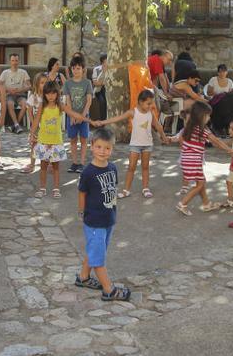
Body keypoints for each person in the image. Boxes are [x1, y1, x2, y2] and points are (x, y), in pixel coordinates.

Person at [74, 127, 131, 302]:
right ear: (92, 146)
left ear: (112, 149)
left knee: (96, 250)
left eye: (107, 148)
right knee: (98, 258)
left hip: (108, 219)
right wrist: (82, 212)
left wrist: (112, 213)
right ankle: (109, 289)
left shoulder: (112, 168)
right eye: (98, 147)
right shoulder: (88, 172)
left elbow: (112, 191)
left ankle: (83, 277)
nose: (102, 151)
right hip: (94, 221)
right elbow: (82, 193)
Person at [92, 89, 168, 199]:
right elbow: (117, 118)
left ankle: (145, 188)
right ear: (141, 102)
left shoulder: (151, 113)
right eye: (148, 103)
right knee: (131, 167)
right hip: (135, 145)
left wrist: (164, 138)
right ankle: (126, 190)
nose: (151, 106)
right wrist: (102, 122)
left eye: (151, 103)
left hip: (147, 145)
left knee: (145, 167)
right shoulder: (133, 112)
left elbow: (158, 126)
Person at [172, 101, 232, 215]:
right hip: (194, 161)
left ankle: (206, 204)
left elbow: (180, 141)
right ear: (202, 116)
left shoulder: (188, 127)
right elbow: (217, 141)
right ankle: (183, 203)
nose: (209, 117)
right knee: (200, 184)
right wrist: (229, 149)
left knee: (201, 182)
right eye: (208, 115)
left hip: (186, 159)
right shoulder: (203, 130)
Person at [29, 81, 85, 198]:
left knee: (55, 167)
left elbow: (73, 113)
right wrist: (32, 134)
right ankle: (42, 188)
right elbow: (36, 121)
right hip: (43, 141)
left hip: (56, 142)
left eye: (53, 93)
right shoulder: (42, 107)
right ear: (44, 94)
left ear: (57, 94)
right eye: (48, 93)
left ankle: (56, 188)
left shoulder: (60, 106)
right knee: (43, 166)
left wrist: (88, 120)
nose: (51, 96)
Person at [64, 56, 93, 174]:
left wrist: (82, 116)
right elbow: (68, 100)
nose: (76, 71)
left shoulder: (87, 83)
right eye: (74, 68)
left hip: (84, 116)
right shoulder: (67, 83)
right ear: (71, 69)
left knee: (84, 139)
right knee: (73, 139)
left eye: (78, 68)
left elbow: (89, 101)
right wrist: (72, 116)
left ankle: (82, 163)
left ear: (83, 69)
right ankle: (74, 162)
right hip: (72, 115)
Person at [21, 72, 48, 174]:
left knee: (46, 145)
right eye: (42, 83)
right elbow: (29, 110)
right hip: (37, 126)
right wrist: (33, 123)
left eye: (46, 83)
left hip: (46, 126)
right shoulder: (34, 97)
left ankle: (46, 164)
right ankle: (32, 164)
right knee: (34, 145)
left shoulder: (48, 97)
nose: (44, 85)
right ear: (37, 84)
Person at [0, 53, 31, 133]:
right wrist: (9, 90)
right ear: (10, 61)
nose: (14, 62)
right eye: (13, 60)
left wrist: (19, 90)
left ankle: (15, 125)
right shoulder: (5, 72)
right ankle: (17, 125)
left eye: (16, 60)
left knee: (25, 104)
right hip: (9, 95)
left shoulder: (23, 72)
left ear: (18, 61)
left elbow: (29, 86)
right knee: (10, 104)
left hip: (20, 94)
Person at [92, 54, 108, 120]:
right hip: (99, 90)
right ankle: (103, 121)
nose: (107, 63)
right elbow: (95, 83)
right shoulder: (96, 69)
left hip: (108, 89)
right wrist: (104, 72)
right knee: (102, 101)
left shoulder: (112, 68)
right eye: (106, 62)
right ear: (102, 63)